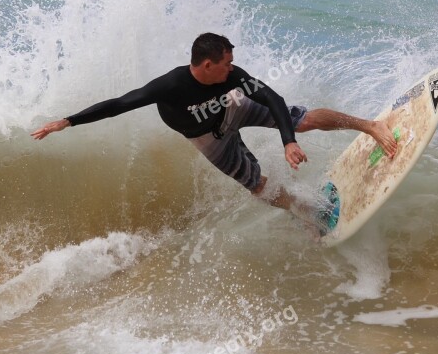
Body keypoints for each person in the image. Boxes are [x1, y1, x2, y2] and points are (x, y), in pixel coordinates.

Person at [31, 33, 397, 229]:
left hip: (232, 108)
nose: (232, 68)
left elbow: (271, 96)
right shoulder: (170, 85)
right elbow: (120, 104)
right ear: (207, 65)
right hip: (206, 137)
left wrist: (288, 140)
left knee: (296, 117)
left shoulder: (232, 79)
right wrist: (68, 121)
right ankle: (308, 213)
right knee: (258, 187)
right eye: (226, 64)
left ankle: (369, 126)